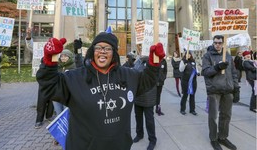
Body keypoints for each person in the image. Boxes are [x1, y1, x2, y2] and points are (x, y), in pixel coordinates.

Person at [36, 32, 165, 150]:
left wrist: (154, 63)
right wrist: (49, 61)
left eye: (108, 48)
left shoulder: (127, 76)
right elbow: (49, 86)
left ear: (114, 53)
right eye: (98, 47)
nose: (102, 52)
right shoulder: (75, 77)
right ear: (93, 51)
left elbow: (147, 81)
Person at [201, 35, 240, 150]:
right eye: (215, 43)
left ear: (223, 43)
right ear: (213, 43)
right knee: (213, 116)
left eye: (219, 43)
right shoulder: (207, 56)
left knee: (226, 115)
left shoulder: (227, 55)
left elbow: (233, 73)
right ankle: (213, 139)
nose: (217, 45)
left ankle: (222, 137)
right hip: (214, 91)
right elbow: (206, 72)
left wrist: (236, 88)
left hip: (228, 90)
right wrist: (217, 67)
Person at [24, 27, 55, 129]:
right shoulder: (42, 51)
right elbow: (30, 46)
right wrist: (29, 36)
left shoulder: (57, 54)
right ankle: (39, 120)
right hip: (43, 80)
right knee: (41, 100)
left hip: (53, 80)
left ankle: (49, 116)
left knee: (52, 99)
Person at [132, 55, 158, 150]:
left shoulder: (152, 64)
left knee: (149, 120)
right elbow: (134, 71)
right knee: (138, 117)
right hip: (138, 95)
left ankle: (152, 140)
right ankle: (139, 134)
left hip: (148, 97)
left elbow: (152, 73)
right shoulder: (138, 62)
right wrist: (139, 60)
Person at [179, 51, 199, 116]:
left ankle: (192, 109)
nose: (188, 55)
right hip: (185, 81)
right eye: (187, 54)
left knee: (192, 95)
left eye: (189, 54)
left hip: (193, 81)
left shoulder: (193, 61)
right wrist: (185, 63)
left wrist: (198, 72)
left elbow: (196, 69)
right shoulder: (183, 61)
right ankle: (182, 109)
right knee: (185, 95)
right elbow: (181, 70)